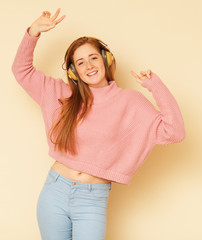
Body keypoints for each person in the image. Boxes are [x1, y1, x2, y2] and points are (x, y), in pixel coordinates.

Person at [12, 8, 185, 240]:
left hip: (92, 199)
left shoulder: (130, 102)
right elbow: (21, 71)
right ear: (74, 72)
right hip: (54, 191)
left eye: (93, 57)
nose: (89, 66)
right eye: (80, 62)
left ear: (106, 59)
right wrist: (33, 32)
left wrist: (156, 86)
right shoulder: (61, 95)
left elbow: (175, 132)